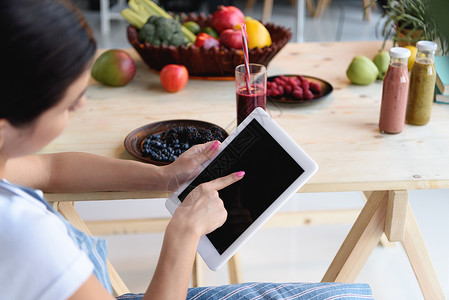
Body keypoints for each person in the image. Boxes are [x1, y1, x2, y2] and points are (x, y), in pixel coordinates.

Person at [0, 1, 373, 299]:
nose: (81, 107)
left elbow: (49, 169)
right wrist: (183, 234)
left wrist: (164, 177)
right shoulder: (24, 234)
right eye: (68, 104)